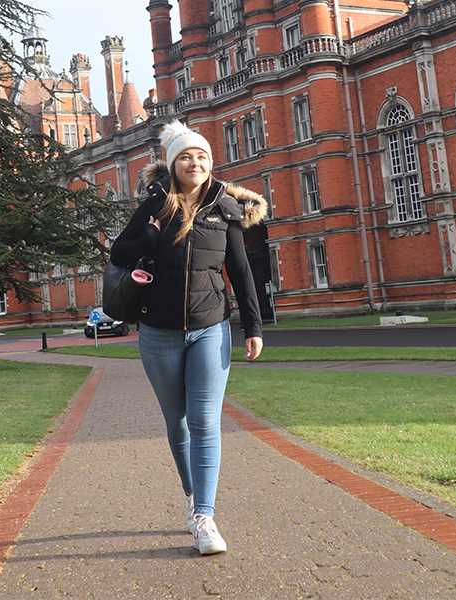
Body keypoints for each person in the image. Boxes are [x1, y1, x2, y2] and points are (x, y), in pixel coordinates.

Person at [110, 120, 266, 555]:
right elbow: (118, 252)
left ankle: (204, 516)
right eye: (185, 156)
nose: (194, 163)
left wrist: (253, 327)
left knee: (205, 421)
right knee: (177, 421)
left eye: (201, 156)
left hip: (210, 327)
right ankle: (192, 493)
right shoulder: (155, 205)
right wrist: (148, 238)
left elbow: (241, 272)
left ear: (210, 163)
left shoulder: (226, 209)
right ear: (173, 163)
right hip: (158, 331)